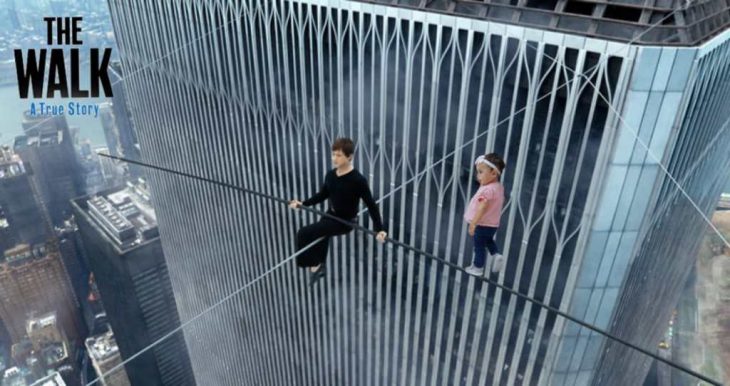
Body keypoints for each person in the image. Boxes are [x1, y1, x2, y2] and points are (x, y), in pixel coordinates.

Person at [289, 137, 387, 286]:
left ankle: (314, 266)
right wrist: (302, 203)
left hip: (345, 222)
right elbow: (322, 195)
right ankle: (319, 265)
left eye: (339, 155)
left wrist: (380, 229)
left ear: (350, 157)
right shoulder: (330, 175)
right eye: (333, 154)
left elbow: (371, 205)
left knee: (303, 233)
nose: (334, 158)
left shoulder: (358, 180)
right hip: (331, 214)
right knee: (321, 235)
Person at [464, 153, 506, 276]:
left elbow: (482, 207)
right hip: (492, 225)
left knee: (479, 247)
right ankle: (496, 254)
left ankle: (477, 267)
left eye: (481, 172)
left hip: (481, 224)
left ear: (493, 173)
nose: (478, 175)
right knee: (488, 241)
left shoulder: (487, 191)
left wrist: (473, 223)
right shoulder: (498, 188)